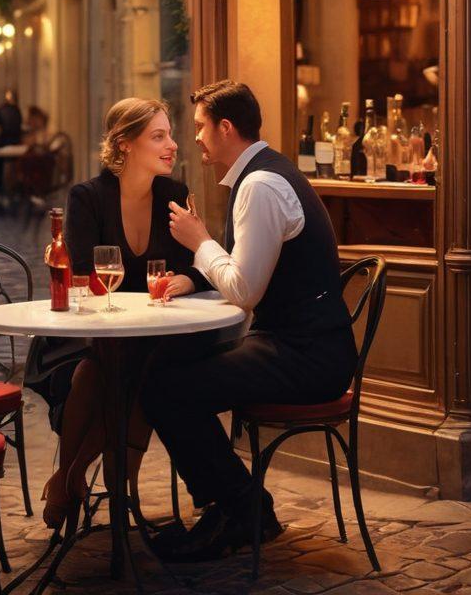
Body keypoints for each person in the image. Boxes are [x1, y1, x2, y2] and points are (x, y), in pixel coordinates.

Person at [140, 79, 358, 563]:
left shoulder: (260, 185)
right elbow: (248, 273)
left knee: (165, 388)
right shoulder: (263, 175)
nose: (193, 137)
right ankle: (234, 506)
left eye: (199, 127)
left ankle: (241, 509)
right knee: (165, 367)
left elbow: (244, 292)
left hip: (308, 357)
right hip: (298, 344)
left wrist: (199, 240)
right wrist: (197, 279)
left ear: (225, 127)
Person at [26, 97, 208, 531]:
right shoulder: (88, 197)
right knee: (108, 367)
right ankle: (113, 486)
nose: (173, 145)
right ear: (125, 144)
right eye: (158, 136)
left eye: (170, 134)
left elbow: (202, 260)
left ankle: (68, 477)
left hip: (154, 332)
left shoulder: (174, 195)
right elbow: (84, 277)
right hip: (88, 333)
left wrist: (186, 281)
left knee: (142, 367)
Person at [0, 90, 23, 207]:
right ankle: (10, 192)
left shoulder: (2, 111)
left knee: (0, 167)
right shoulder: (15, 111)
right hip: (12, 143)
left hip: (4, 144)